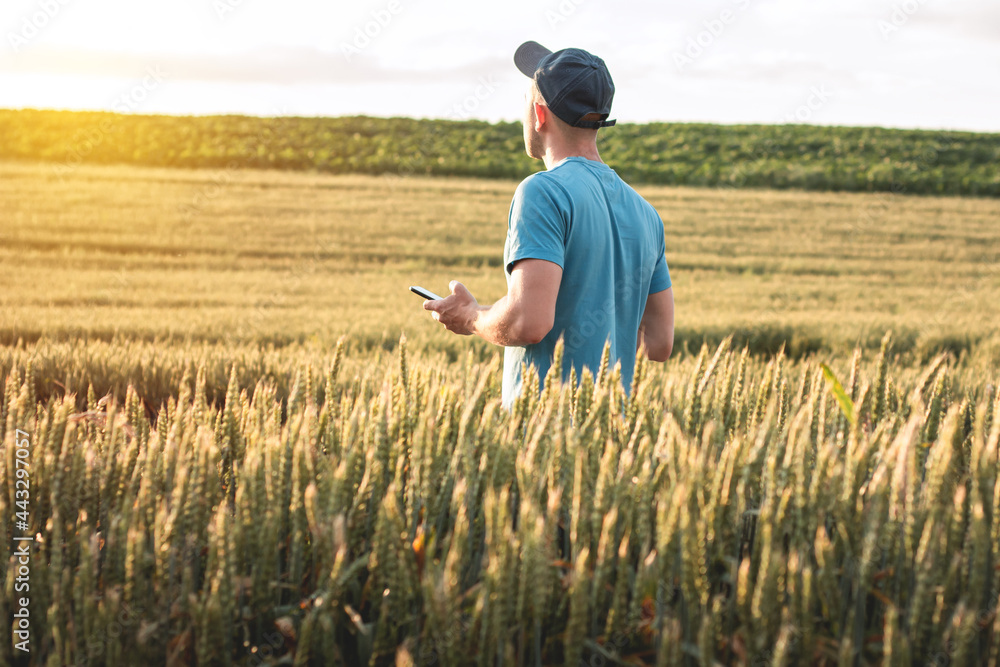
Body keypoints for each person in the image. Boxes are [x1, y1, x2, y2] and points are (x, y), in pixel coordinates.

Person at [424, 40, 674, 409]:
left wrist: (471, 317)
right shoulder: (646, 213)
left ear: (539, 115)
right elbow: (658, 343)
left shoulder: (542, 192)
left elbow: (529, 323)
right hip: (613, 439)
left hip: (545, 437)